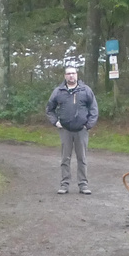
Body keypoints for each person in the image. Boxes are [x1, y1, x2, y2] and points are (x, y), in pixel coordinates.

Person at [45, 65, 99, 195]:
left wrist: (88, 125)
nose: (71, 76)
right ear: (65, 76)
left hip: (82, 130)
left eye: (73, 73)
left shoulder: (85, 90)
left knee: (82, 158)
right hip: (65, 130)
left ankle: (83, 185)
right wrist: (56, 122)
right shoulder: (58, 91)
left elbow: (94, 109)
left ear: (77, 75)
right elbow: (49, 109)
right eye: (68, 73)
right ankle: (64, 185)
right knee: (65, 158)